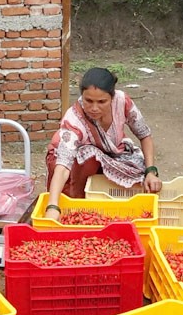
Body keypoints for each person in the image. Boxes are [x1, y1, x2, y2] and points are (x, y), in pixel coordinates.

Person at [44, 67, 161, 219]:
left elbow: (145, 135)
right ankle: (77, 204)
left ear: (112, 97)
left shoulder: (122, 102)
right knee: (89, 156)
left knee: (141, 177)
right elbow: (63, 166)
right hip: (74, 162)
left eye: (102, 102)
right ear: (81, 97)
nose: (94, 108)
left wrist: (150, 172)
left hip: (113, 154)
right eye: (88, 101)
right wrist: (53, 205)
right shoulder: (74, 119)